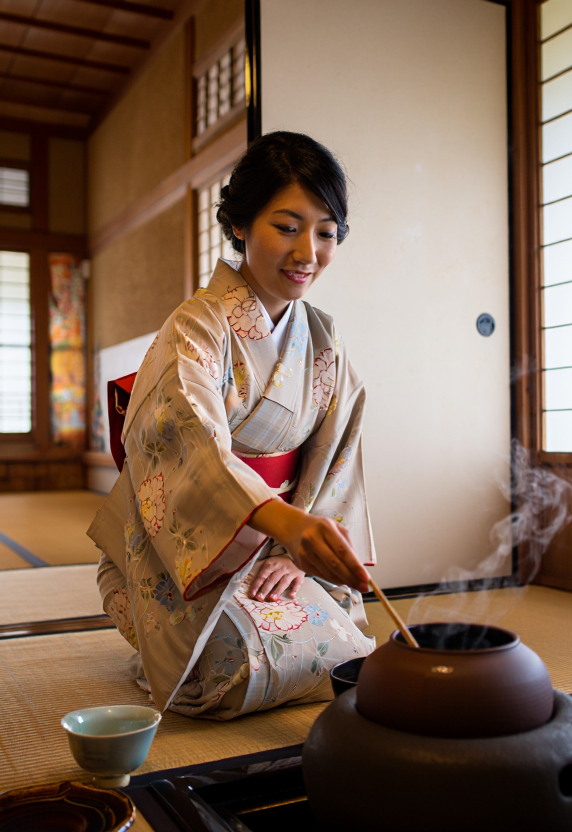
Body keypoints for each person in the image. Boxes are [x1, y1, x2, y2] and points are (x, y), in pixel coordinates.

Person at [88, 132, 377, 720]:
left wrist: (295, 553)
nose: (308, 251)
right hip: (184, 553)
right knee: (232, 676)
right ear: (242, 225)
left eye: (325, 232)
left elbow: (337, 460)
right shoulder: (197, 327)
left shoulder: (325, 341)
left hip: (278, 547)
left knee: (352, 659)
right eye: (288, 226)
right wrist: (284, 525)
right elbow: (188, 444)